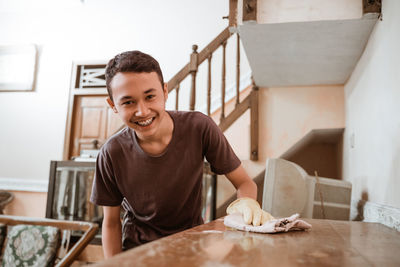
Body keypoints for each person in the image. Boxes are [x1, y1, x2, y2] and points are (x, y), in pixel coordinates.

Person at [90, 50, 267, 258]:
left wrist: (245, 206)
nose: (143, 111)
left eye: (150, 96)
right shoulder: (111, 153)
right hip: (138, 254)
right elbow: (111, 223)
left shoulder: (199, 127)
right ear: (113, 105)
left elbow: (245, 183)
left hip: (192, 250)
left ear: (165, 91)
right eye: (128, 102)